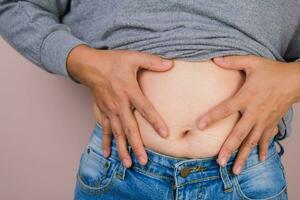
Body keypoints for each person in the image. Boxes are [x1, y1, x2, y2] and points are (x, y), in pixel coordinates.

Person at [0, 1, 299, 199]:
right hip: (122, 173)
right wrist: (82, 62)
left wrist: (293, 80)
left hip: (244, 176)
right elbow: (13, 5)